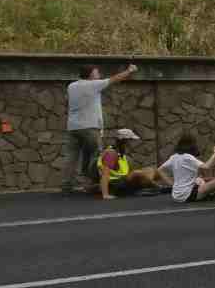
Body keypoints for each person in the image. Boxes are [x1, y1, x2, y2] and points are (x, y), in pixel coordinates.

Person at [61, 63, 137, 195]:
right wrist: (130, 70)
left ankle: (66, 186)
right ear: (91, 74)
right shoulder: (92, 85)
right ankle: (93, 184)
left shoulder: (71, 86)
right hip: (90, 126)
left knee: (71, 157)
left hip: (73, 127)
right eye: (97, 73)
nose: (99, 75)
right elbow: (115, 79)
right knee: (96, 156)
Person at [96, 128, 171, 200]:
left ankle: (173, 186)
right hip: (114, 185)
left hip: (123, 182)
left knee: (152, 169)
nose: (133, 143)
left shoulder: (120, 153)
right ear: (124, 141)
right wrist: (105, 195)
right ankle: (159, 188)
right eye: (131, 140)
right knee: (137, 173)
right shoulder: (111, 154)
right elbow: (105, 175)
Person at [159, 132, 215, 203]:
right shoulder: (188, 157)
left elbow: (159, 170)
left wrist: (172, 184)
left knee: (201, 179)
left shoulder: (173, 157)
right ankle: (205, 196)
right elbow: (207, 166)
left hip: (175, 196)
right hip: (188, 196)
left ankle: (204, 195)